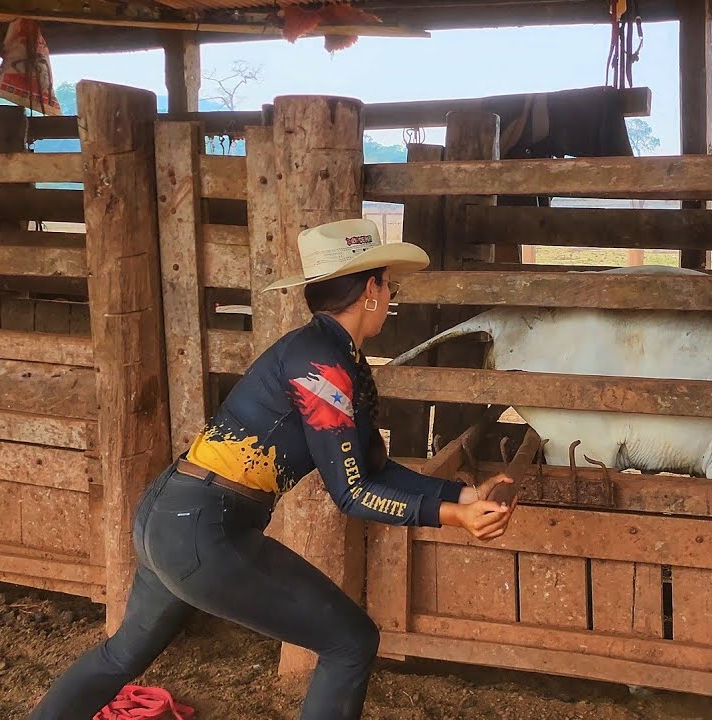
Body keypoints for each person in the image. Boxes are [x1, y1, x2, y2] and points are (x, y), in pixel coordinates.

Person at [30, 218, 517, 720]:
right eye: (390, 283)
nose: (392, 296)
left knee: (121, 655)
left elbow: (374, 468)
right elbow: (352, 494)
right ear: (370, 288)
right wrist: (450, 518)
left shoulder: (322, 354)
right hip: (205, 529)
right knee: (351, 642)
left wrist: (460, 497)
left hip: (170, 511)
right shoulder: (323, 367)